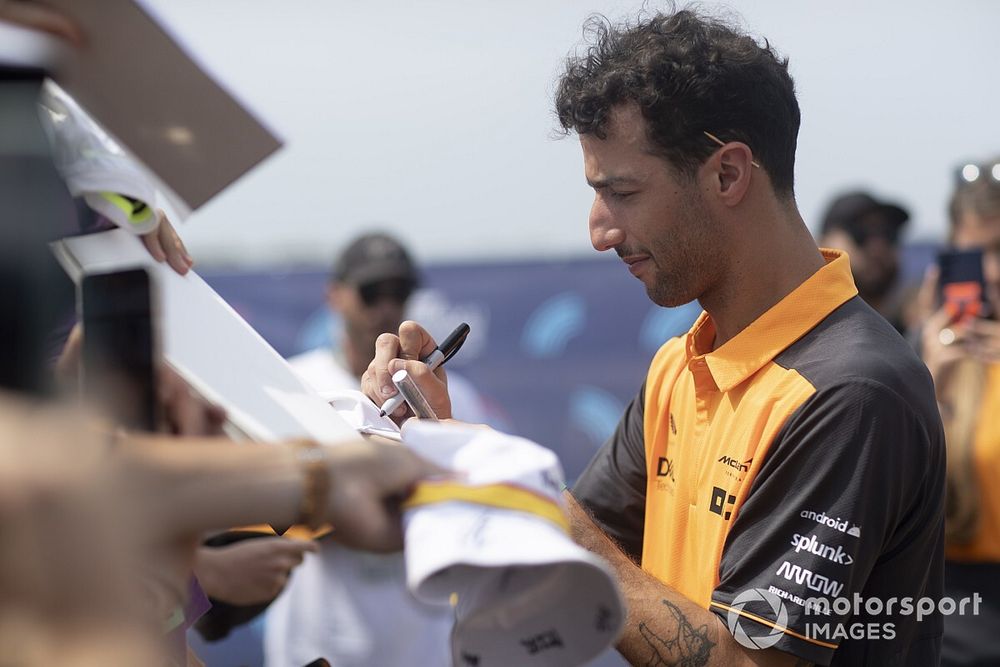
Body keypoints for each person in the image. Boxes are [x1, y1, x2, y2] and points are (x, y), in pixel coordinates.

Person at [363, 9, 946, 666]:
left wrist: (520, 488)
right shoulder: (682, 364)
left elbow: (743, 659)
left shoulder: (851, 390)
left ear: (728, 174)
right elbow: (569, 561)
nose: (599, 231)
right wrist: (438, 436)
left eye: (623, 191)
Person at [266, 232, 491, 667]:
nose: (386, 306)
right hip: (314, 647)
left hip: (425, 649)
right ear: (335, 295)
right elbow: (261, 509)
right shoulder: (295, 385)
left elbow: (489, 508)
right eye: (371, 292)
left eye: (399, 292)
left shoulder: (456, 395)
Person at [915, 156, 1000, 667]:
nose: (993, 273)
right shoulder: (925, 355)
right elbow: (883, 506)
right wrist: (927, 387)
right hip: (959, 622)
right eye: (978, 254)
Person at [818, 191, 913, 333]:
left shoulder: (915, 340)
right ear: (823, 242)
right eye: (860, 233)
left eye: (888, 233)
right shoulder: (801, 340)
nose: (877, 247)